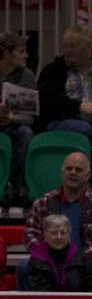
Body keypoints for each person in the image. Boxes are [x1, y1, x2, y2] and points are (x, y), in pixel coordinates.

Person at [19, 151, 92, 290]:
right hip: (50, 259)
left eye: (78, 170)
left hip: (87, 261)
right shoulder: (42, 202)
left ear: (88, 175)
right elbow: (30, 234)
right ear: (62, 172)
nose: (73, 172)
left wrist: (82, 257)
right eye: (69, 168)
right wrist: (46, 253)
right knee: (23, 267)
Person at [36, 25, 92, 143]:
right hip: (60, 125)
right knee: (84, 128)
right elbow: (49, 97)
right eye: (65, 46)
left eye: (73, 46)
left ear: (88, 47)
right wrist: (79, 106)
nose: (68, 50)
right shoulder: (52, 71)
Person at [0, 32, 36, 203]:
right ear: (7, 53)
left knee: (25, 133)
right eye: (21, 52)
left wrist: (11, 117)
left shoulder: (27, 76)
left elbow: (30, 117)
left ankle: (16, 188)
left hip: (15, 125)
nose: (26, 56)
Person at [25, 214, 92, 292]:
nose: (59, 237)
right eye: (54, 233)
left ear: (69, 235)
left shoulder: (82, 258)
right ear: (45, 234)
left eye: (63, 233)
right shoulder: (36, 260)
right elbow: (39, 292)